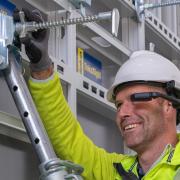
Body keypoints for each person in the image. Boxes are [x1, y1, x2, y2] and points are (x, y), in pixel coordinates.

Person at [14, 9, 180, 180]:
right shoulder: (120, 170)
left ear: (169, 104)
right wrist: (41, 65)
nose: (122, 113)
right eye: (119, 104)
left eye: (136, 99)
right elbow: (71, 144)